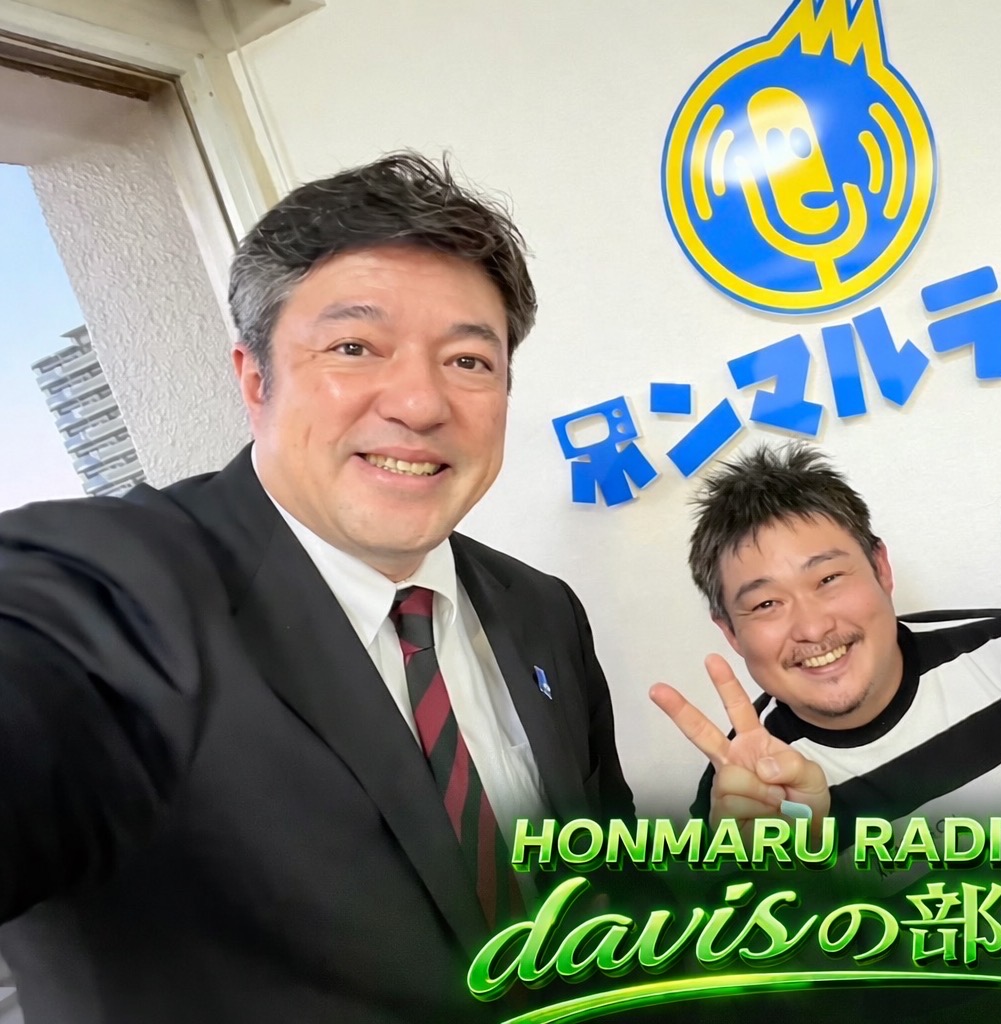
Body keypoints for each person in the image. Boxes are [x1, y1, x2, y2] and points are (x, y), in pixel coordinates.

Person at [0, 152, 633, 1024]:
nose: (420, 403)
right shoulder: (112, 591)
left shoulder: (542, 610)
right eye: (353, 347)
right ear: (255, 378)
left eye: (468, 361)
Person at [651, 442, 1001, 1024]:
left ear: (881, 568)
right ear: (730, 633)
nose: (811, 626)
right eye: (764, 605)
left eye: (828, 577)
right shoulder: (740, 796)